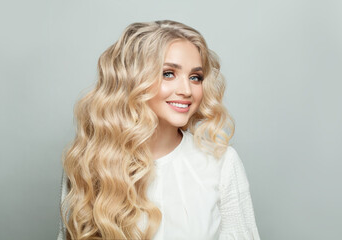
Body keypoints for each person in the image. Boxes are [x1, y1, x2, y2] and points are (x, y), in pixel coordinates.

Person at [57, 20, 260, 240]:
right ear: (133, 80)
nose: (186, 90)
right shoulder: (90, 163)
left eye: (195, 78)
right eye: (168, 73)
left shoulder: (221, 163)